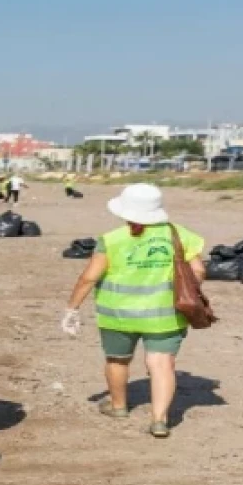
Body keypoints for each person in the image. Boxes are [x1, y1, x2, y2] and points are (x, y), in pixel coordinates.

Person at [61, 184, 205, 439]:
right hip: (166, 315)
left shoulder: (112, 239)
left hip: (118, 315)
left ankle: (118, 406)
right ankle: (159, 420)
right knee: (162, 364)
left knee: (117, 359)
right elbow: (199, 271)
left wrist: (72, 309)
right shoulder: (179, 234)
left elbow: (88, 278)